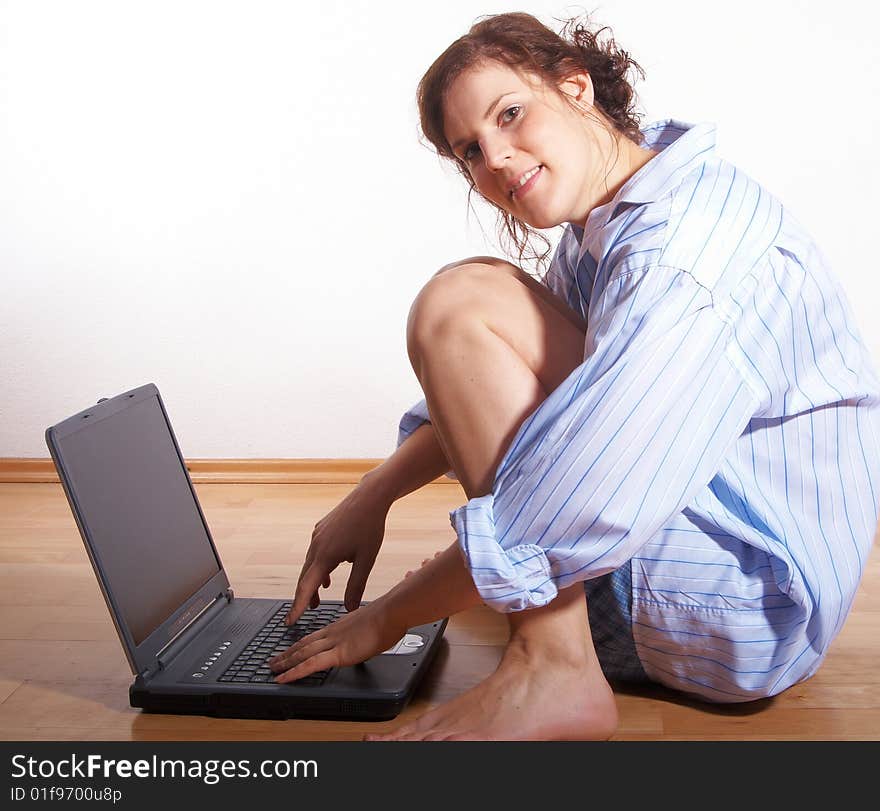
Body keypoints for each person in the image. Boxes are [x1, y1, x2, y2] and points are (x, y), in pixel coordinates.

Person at [268, 12, 880, 740]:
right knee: (482, 308)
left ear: (576, 86)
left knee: (461, 302)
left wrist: (387, 616)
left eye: (511, 114)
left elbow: (575, 495)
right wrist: (371, 497)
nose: (494, 159)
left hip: (745, 609)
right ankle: (541, 633)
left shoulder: (682, 256)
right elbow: (525, 389)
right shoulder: (615, 219)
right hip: (708, 561)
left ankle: (552, 670)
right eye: (470, 150)